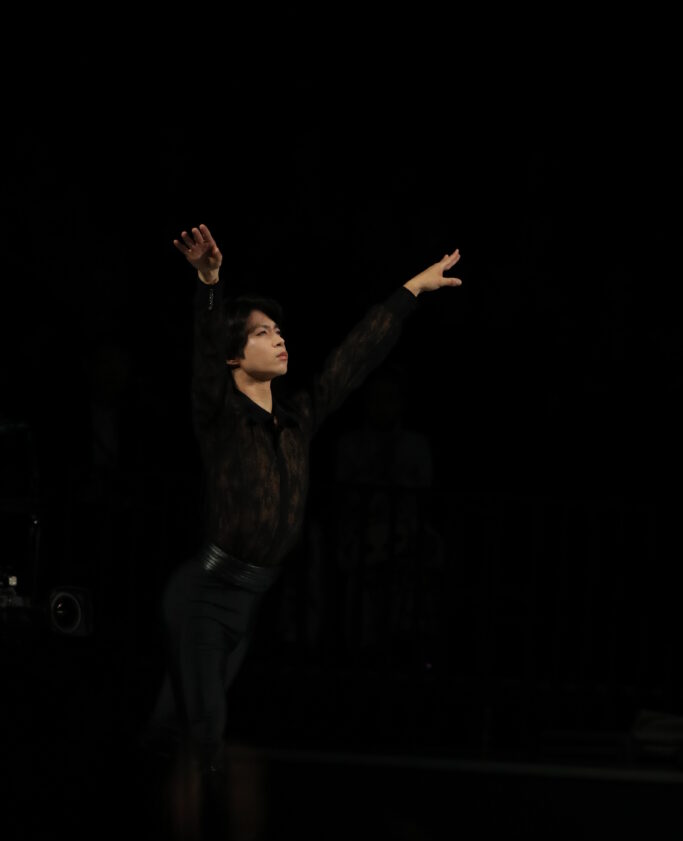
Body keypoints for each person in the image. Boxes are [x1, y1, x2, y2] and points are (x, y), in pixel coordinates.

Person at [146, 223, 462, 773]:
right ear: (234, 356)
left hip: (247, 600)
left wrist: (411, 290)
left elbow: (352, 360)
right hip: (206, 595)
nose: (278, 338)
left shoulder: (297, 419)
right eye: (262, 333)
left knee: (171, 726)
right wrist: (210, 283)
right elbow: (205, 350)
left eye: (278, 330)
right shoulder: (220, 416)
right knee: (205, 731)